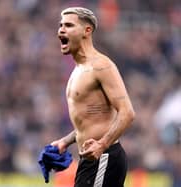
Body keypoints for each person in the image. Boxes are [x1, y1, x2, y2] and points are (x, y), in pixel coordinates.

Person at [50, 7, 135, 187]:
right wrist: (65, 142)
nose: (61, 30)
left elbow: (127, 113)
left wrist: (102, 145)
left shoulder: (101, 66)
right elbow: (91, 120)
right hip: (92, 160)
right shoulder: (78, 70)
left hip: (103, 157)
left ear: (87, 31)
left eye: (69, 25)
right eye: (60, 25)